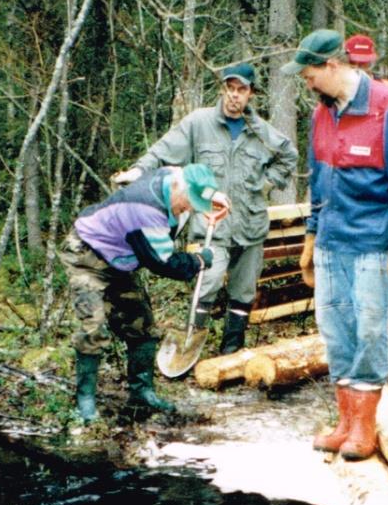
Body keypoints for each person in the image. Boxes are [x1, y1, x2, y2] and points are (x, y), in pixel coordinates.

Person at [281, 30, 388, 460]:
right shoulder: (321, 115)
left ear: (333, 65)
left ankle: (364, 427)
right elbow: (319, 179)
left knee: (369, 331)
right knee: (336, 332)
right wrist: (312, 233)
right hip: (332, 241)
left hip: (373, 242)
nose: (307, 82)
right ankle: (345, 422)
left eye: (310, 74)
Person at [110, 63, 297, 356]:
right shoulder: (199, 124)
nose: (234, 96)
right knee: (205, 284)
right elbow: (162, 151)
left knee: (243, 290)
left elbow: (289, 155)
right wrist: (137, 170)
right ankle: (190, 348)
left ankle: (231, 350)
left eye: (241, 90)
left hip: (251, 223)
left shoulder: (261, 132)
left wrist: (265, 184)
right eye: (229, 88)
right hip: (210, 225)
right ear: (222, 89)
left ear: (251, 94)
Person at [63, 163, 230, 424]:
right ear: (177, 187)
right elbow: (162, 263)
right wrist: (198, 261)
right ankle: (85, 402)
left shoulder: (174, 177)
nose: (187, 209)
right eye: (187, 202)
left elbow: (170, 172)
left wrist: (212, 198)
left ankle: (142, 393)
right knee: (92, 327)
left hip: (120, 259)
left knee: (142, 324)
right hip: (87, 253)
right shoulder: (145, 210)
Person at [345, 33, 388, 322]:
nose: (360, 71)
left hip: (384, 192)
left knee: (384, 256)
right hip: (351, 196)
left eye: (365, 64)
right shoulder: (337, 100)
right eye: (354, 64)